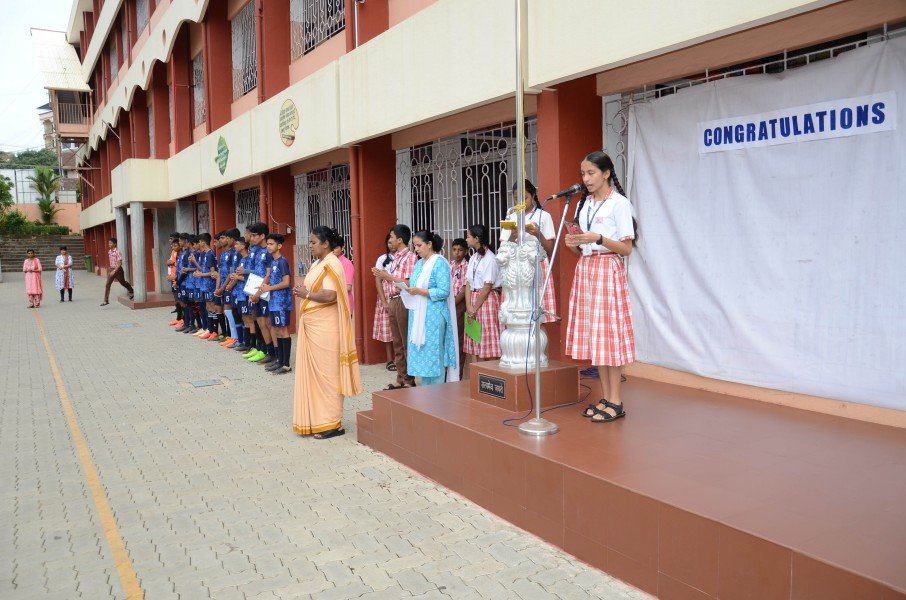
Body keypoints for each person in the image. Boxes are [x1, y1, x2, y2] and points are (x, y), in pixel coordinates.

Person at [565, 151, 636, 423]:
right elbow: (584, 247)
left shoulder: (619, 204)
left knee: (610, 337)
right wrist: (575, 244)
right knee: (598, 338)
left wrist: (599, 238)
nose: (586, 178)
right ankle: (606, 399)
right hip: (587, 269)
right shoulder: (585, 204)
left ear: (606, 173)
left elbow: (626, 248)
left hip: (607, 269)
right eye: (583, 173)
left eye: (591, 173)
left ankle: (616, 401)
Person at [292, 226, 362, 439]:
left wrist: (306, 294)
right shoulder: (318, 263)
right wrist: (305, 293)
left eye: (313, 242)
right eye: (310, 242)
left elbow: (330, 295)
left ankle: (333, 424)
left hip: (326, 329)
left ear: (325, 244)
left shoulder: (332, 264)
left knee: (328, 376)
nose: (310, 246)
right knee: (315, 377)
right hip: (314, 327)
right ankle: (318, 420)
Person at [405, 230, 459, 385]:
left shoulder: (439, 262)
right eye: (415, 246)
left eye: (419, 245)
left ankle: (437, 392)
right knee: (422, 354)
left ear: (429, 244)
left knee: (434, 354)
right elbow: (414, 284)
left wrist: (420, 291)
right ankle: (425, 390)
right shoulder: (419, 264)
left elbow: (444, 291)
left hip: (434, 315)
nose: (416, 249)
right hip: (418, 315)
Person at [501, 180, 558, 323]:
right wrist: (512, 237)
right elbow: (503, 248)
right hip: (514, 268)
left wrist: (538, 234)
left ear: (532, 195)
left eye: (525, 198)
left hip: (537, 265)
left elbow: (550, 249)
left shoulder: (543, 216)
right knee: (514, 316)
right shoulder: (511, 217)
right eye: (516, 199)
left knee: (537, 318)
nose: (520, 202)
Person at [371, 224, 418, 389]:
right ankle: (401, 377)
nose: (389, 240)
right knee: (397, 343)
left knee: (405, 342)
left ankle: (409, 379)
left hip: (403, 300)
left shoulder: (410, 257)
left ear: (400, 239)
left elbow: (408, 282)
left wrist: (386, 276)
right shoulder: (396, 257)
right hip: (393, 300)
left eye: (391, 236)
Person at [463, 224, 502, 371]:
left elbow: (487, 287)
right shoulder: (474, 257)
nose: (466, 239)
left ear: (477, 238)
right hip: (473, 301)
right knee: (476, 339)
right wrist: (469, 307)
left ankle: (492, 372)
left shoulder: (490, 258)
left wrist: (474, 308)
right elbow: (468, 283)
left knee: (487, 339)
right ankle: (479, 372)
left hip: (486, 302)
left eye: (468, 236)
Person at [260, 233, 293, 374]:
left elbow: (286, 283)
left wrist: (269, 288)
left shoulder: (282, 261)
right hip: (273, 302)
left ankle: (286, 365)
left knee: (283, 330)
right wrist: (263, 287)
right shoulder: (273, 262)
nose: (268, 246)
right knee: (277, 330)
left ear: (279, 246)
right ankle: (280, 361)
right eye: (267, 244)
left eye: (271, 244)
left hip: (282, 302)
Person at [245, 222, 275, 364]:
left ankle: (274, 353)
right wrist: (252, 291)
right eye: (251, 235)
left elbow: (268, 274)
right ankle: (264, 350)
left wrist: (259, 291)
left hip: (265, 292)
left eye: (254, 235)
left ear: (262, 235)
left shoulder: (268, 252)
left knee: (268, 323)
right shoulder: (256, 250)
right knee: (260, 322)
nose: (252, 238)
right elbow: (255, 272)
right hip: (255, 290)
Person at [372, 235, 395, 371]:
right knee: (387, 328)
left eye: (393, 242)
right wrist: (383, 301)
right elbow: (378, 281)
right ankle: (389, 359)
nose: (391, 245)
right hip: (385, 296)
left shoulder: (405, 258)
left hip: (400, 295)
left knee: (401, 329)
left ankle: (402, 359)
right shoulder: (382, 259)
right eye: (389, 242)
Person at [226, 237, 254, 352]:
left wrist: (238, 277)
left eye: (237, 244)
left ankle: (252, 344)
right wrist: (234, 279)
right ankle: (245, 342)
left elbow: (252, 277)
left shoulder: (249, 259)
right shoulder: (241, 259)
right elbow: (239, 276)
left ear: (243, 246)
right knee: (244, 317)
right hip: (240, 292)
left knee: (250, 318)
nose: (235, 246)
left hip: (247, 293)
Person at [449, 238, 470, 377]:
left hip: (458, 304)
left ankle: (458, 373)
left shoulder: (466, 266)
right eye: (454, 250)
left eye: (460, 250)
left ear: (466, 251)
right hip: (448, 303)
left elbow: (463, 290)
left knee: (459, 338)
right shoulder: (449, 264)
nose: (457, 253)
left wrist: (452, 304)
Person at [192, 233, 218, 339]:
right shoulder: (204, 254)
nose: (198, 244)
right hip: (204, 285)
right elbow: (203, 269)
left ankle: (214, 331)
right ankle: (209, 329)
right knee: (208, 307)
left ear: (203, 242)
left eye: (199, 242)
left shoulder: (210, 254)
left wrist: (201, 274)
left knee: (212, 307)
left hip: (210, 285)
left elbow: (213, 272)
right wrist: (198, 272)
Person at [101, 237, 134, 306]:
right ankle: (106, 300)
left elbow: (119, 263)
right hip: (111, 269)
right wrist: (110, 269)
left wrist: (114, 270)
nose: (109, 244)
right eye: (109, 243)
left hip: (118, 270)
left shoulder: (117, 252)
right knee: (107, 284)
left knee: (123, 282)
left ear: (115, 244)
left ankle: (131, 291)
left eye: (110, 243)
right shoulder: (109, 251)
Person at [332, 239, 355, 315]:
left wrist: (330, 293)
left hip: (344, 305)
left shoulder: (347, 263)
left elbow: (348, 287)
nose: (333, 250)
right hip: (331, 306)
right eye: (331, 247)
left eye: (335, 248)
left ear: (342, 248)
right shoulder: (329, 263)